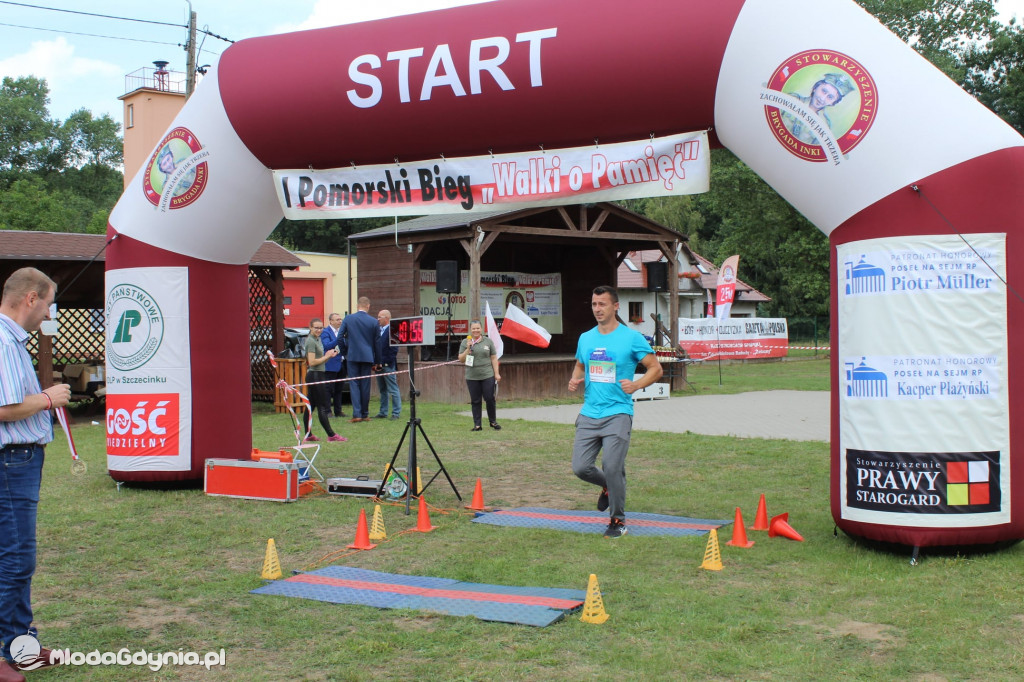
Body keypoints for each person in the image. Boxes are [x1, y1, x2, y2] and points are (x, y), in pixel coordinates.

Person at [0, 268, 72, 679]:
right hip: (12, 461)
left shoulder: (11, 341)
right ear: (30, 298)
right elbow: (5, 409)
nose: (48, 313)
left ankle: (21, 645)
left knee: (16, 558)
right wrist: (48, 398)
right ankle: (6, 653)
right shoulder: (4, 343)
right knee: (15, 559)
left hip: (19, 460)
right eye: (47, 303)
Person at [568, 285, 662, 538]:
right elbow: (579, 365)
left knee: (612, 466)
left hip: (618, 412)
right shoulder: (586, 338)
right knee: (580, 467)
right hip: (589, 412)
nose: (597, 309)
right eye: (594, 304)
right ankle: (609, 487)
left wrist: (637, 385)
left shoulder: (631, 337)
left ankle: (617, 520)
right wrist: (575, 379)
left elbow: (655, 368)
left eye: (602, 304)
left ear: (615, 306)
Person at [302, 318, 346, 443]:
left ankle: (308, 434)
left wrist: (329, 356)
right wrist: (326, 356)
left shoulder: (317, 339)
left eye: (321, 327)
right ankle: (331, 435)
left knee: (311, 406)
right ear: (310, 327)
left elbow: (319, 360)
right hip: (315, 375)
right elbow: (312, 362)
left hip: (319, 374)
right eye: (316, 327)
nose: (319, 330)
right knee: (322, 406)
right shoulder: (310, 341)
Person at [780, 71, 854, 145]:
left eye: (830, 97)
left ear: (833, 103)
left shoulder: (824, 125)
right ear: (815, 88)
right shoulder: (792, 99)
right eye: (824, 91)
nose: (822, 98)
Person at [339, 297, 380, 422]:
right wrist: (377, 360)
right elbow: (377, 342)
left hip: (352, 355)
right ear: (368, 306)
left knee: (354, 384)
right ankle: (365, 413)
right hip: (367, 356)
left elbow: (340, 337)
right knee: (365, 385)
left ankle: (356, 414)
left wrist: (345, 351)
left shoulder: (348, 318)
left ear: (358, 306)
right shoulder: (373, 321)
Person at [457, 320, 501, 431]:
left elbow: (494, 358)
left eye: (478, 328)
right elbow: (461, 360)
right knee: (475, 400)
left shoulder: (488, 341)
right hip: (472, 377)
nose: (476, 330)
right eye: (473, 328)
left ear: (481, 329)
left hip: (487, 375)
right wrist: (468, 349)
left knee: (489, 398)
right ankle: (477, 425)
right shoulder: (465, 342)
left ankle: (493, 422)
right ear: (470, 330)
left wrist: (496, 373)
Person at [374, 310, 402, 420]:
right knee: (382, 389)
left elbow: (394, 350)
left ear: (386, 318)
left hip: (387, 364)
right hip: (378, 365)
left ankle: (396, 412)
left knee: (393, 389)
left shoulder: (393, 330)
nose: (378, 319)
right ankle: (383, 411)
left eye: (379, 317)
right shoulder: (378, 330)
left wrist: (383, 362)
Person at [320, 312, 346, 417]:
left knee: (339, 389)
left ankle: (338, 410)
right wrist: (338, 338)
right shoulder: (326, 332)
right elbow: (326, 345)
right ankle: (327, 410)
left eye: (340, 319)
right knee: (328, 389)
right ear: (331, 321)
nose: (340, 321)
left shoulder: (342, 332)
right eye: (337, 319)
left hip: (342, 362)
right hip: (330, 364)